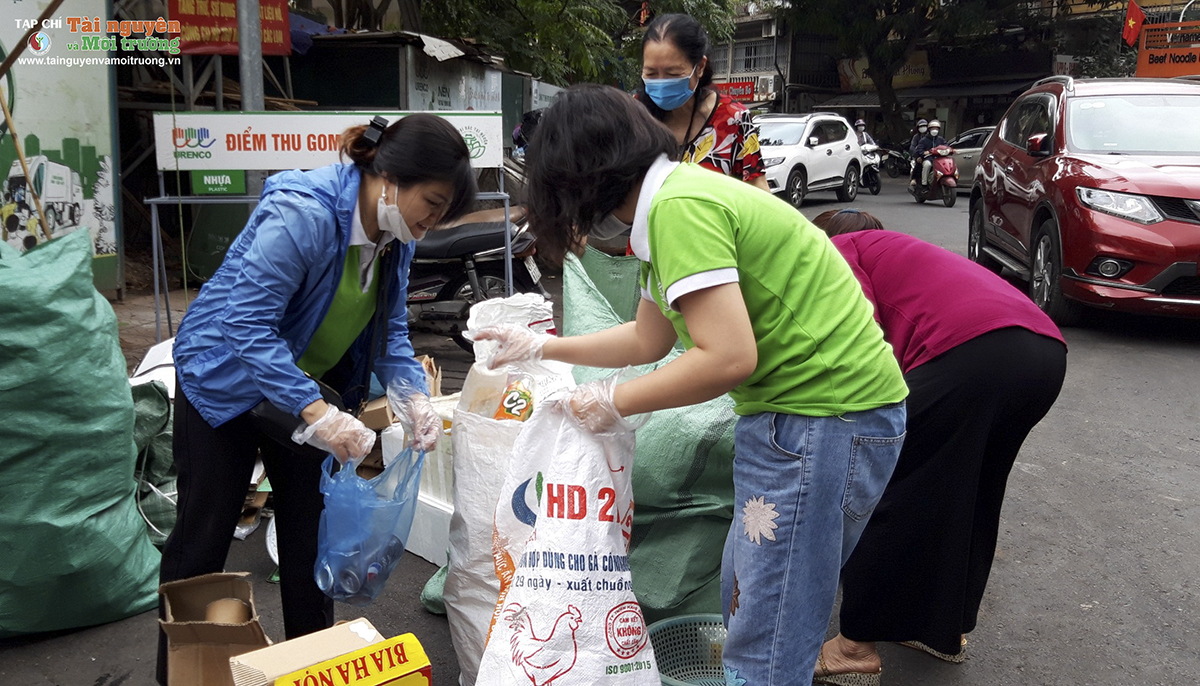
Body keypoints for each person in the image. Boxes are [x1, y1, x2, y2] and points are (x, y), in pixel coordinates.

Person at [477, 84, 908, 684]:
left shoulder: (680, 209)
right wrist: (542, 345)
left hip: (822, 419)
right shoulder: (670, 207)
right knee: (746, 597)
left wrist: (613, 399)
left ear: (584, 179)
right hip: (805, 417)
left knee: (769, 628)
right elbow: (647, 340)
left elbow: (726, 356)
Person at [156, 114, 477, 684]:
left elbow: (391, 330)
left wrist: (412, 398)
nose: (432, 222)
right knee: (202, 541)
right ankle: (179, 674)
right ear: (389, 175)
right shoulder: (304, 213)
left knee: (310, 540)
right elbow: (246, 324)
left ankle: (309, 671)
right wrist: (317, 414)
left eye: (443, 212)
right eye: (431, 202)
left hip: (304, 393)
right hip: (223, 383)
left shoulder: (396, 235)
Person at [808, 209, 1067, 686]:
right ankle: (941, 631)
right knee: (968, 490)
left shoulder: (835, 250)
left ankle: (853, 648)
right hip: (1044, 354)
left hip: (972, 352)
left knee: (886, 487)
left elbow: (856, 339)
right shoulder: (905, 253)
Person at [638, 13, 768, 190]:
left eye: (673, 74)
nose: (661, 82)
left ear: (700, 67)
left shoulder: (732, 119)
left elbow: (758, 191)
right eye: (651, 73)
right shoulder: (633, 115)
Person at [911, 119, 947, 187]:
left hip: (939, 159)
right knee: (927, 165)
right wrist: (923, 153)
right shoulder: (923, 140)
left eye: (936, 128)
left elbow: (946, 146)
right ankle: (924, 184)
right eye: (933, 128)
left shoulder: (941, 139)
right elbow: (919, 149)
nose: (934, 130)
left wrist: (950, 150)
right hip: (928, 158)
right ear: (929, 129)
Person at [908, 118, 928, 184]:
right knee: (919, 164)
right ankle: (915, 178)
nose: (923, 128)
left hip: (929, 155)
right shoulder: (916, 137)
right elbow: (912, 147)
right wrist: (917, 155)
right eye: (921, 126)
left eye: (924, 126)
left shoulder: (930, 137)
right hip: (919, 155)